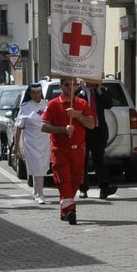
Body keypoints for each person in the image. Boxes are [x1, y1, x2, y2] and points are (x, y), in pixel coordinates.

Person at [41, 78, 94, 225]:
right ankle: (71, 210)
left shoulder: (82, 104)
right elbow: (44, 126)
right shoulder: (53, 104)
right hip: (60, 150)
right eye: (67, 85)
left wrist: (78, 115)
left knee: (75, 181)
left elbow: (91, 124)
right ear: (61, 86)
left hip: (78, 150)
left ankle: (65, 210)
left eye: (74, 85)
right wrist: (63, 130)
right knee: (63, 180)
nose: (71, 88)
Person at [12, 84, 52, 204]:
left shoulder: (47, 104)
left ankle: (36, 192)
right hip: (31, 143)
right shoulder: (25, 107)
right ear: (29, 94)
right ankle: (40, 194)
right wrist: (16, 145)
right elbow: (19, 127)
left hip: (45, 141)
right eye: (34, 93)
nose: (36, 95)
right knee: (37, 167)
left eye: (38, 92)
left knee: (42, 168)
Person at [78, 82, 116, 199]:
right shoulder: (80, 92)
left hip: (98, 131)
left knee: (99, 160)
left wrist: (99, 91)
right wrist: (79, 90)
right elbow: (73, 103)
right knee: (82, 161)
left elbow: (109, 104)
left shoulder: (100, 91)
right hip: (84, 131)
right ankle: (83, 189)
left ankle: (104, 188)